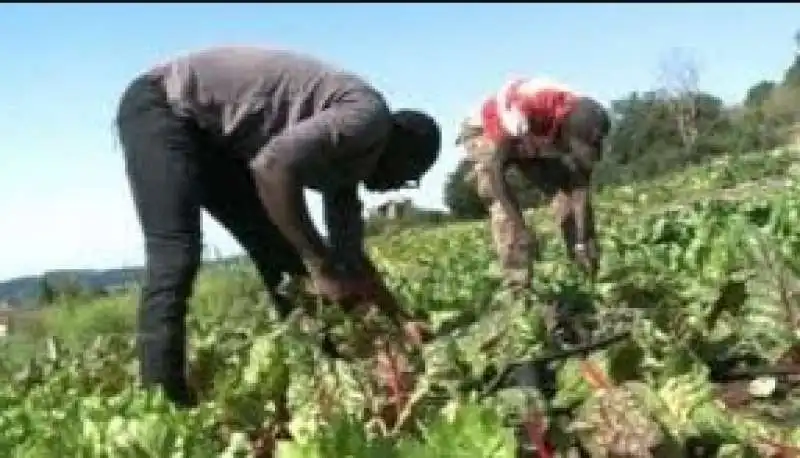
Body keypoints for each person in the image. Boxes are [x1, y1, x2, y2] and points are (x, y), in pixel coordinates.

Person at [114, 46, 441, 406]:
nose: (401, 186)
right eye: (411, 175)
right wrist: (319, 263)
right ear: (403, 146)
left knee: (282, 257)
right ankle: (162, 402)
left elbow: (351, 261)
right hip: (163, 105)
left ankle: (329, 376)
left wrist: (399, 320)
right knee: (176, 252)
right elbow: (273, 167)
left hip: (215, 139)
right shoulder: (366, 117)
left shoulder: (348, 171)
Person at [454, 77, 610, 291]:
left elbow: (579, 188)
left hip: (531, 133)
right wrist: (521, 227)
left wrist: (582, 241)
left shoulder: (583, 119)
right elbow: (496, 172)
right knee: (504, 209)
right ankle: (519, 290)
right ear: (566, 131)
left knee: (567, 195)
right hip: (487, 130)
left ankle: (589, 272)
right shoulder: (523, 110)